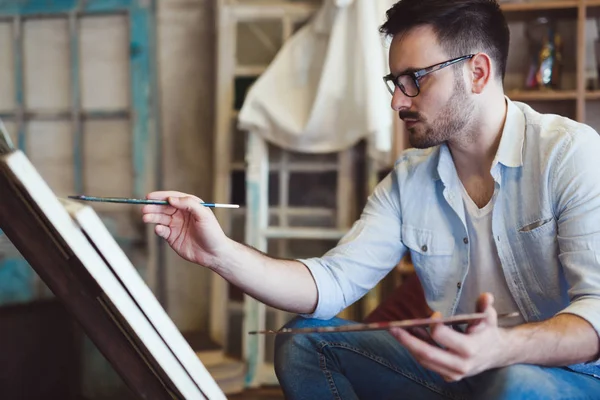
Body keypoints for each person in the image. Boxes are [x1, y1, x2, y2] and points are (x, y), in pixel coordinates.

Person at [142, 0, 600, 398]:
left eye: (415, 79)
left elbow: (595, 314)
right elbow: (331, 284)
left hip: (564, 377)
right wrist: (220, 253)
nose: (398, 102)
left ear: (477, 72)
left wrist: (504, 348)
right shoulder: (408, 180)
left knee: (513, 384)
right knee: (304, 341)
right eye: (395, 81)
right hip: (458, 376)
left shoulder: (568, 154)